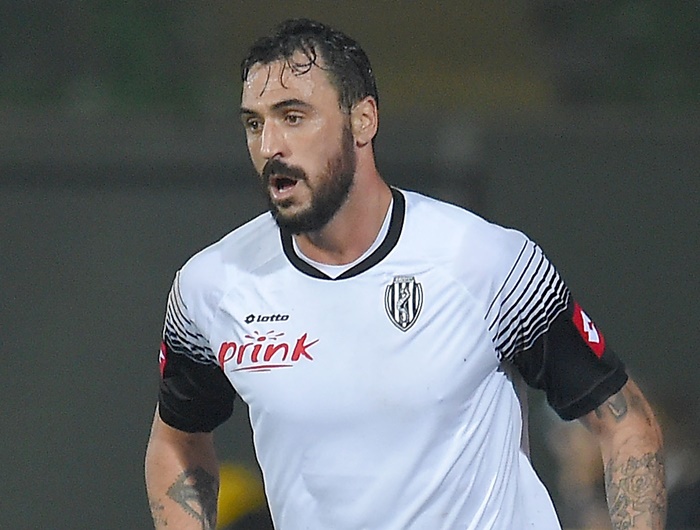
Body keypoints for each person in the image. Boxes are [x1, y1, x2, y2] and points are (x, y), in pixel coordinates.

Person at [144, 18, 666, 530]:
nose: (269, 146)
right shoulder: (213, 286)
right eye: (254, 124)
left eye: (294, 116)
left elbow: (626, 423)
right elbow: (176, 443)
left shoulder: (485, 263)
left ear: (363, 120)